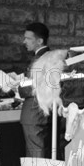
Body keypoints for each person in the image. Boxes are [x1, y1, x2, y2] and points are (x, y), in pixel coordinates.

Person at [19, 22, 51, 158]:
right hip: (46, 112)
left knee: (36, 155)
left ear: (39, 41)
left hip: (34, 112)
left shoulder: (40, 59)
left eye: (28, 38)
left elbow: (36, 86)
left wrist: (18, 86)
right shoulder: (52, 57)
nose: (24, 41)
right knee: (47, 151)